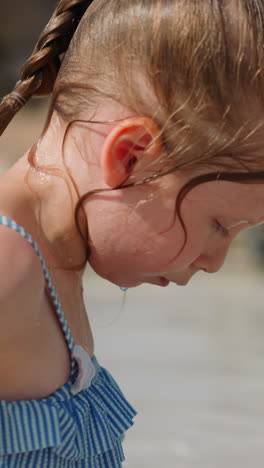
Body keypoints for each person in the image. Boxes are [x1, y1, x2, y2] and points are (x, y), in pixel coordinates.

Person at [0, 0, 264, 465]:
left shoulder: (52, 265)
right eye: (220, 226)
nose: (216, 261)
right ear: (131, 157)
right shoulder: (10, 268)